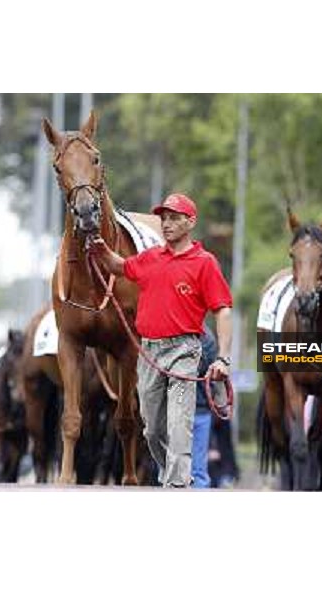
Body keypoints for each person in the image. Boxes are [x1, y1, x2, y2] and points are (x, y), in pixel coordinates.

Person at [91, 192, 233, 488]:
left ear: (190, 222)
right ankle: (171, 474)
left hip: (184, 350)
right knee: (152, 430)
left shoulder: (204, 263)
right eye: (164, 219)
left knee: (179, 425)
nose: (166, 224)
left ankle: (177, 485)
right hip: (149, 353)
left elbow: (222, 310)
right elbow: (120, 266)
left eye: (174, 218)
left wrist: (223, 357)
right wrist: (100, 249)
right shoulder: (151, 258)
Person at [191, 325, 218, 488]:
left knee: (198, 470)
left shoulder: (207, 338)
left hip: (199, 410)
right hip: (175, 411)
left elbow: (199, 368)